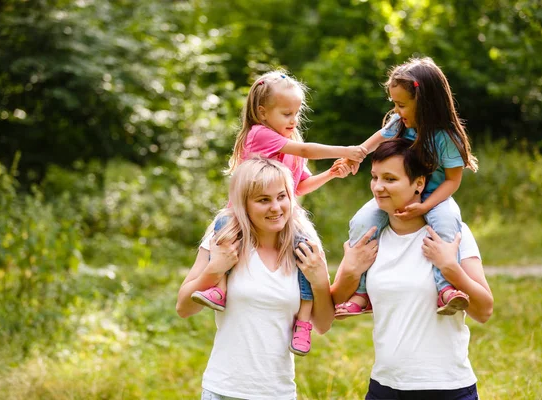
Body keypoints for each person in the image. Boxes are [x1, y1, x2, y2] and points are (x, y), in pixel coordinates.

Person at [191, 70, 358, 355]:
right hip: (245, 213)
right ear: (262, 112)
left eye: (296, 113)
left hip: (284, 214)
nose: (293, 120)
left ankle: (303, 321)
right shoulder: (261, 134)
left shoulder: (289, 140)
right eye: (286, 113)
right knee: (222, 227)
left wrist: (330, 174)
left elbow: (300, 185)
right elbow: (306, 150)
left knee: (306, 247)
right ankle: (218, 288)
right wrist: (348, 150)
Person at [331, 139, 493, 399]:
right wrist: (351, 271)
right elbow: (329, 311)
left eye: (390, 179)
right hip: (384, 388)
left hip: (447, 389)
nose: (378, 187)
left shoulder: (452, 236)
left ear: (419, 183)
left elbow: (484, 311)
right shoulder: (368, 240)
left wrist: (450, 268)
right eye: (374, 177)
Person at [177, 157, 335, 400]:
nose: (275, 207)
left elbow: (323, 325)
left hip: (278, 393)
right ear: (244, 204)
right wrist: (214, 269)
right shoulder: (225, 240)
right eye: (263, 200)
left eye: (281, 196)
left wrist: (320, 281)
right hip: (223, 390)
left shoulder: (304, 249)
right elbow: (184, 307)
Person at [334, 57, 479, 318]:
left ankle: (445, 289)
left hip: (435, 196)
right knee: (361, 222)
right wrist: (353, 156)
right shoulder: (399, 124)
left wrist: (425, 206)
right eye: (395, 104)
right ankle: (362, 292)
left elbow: (452, 181)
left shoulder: (446, 137)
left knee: (446, 224)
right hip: (400, 194)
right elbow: (373, 142)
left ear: (424, 104)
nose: (397, 111)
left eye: (402, 104)